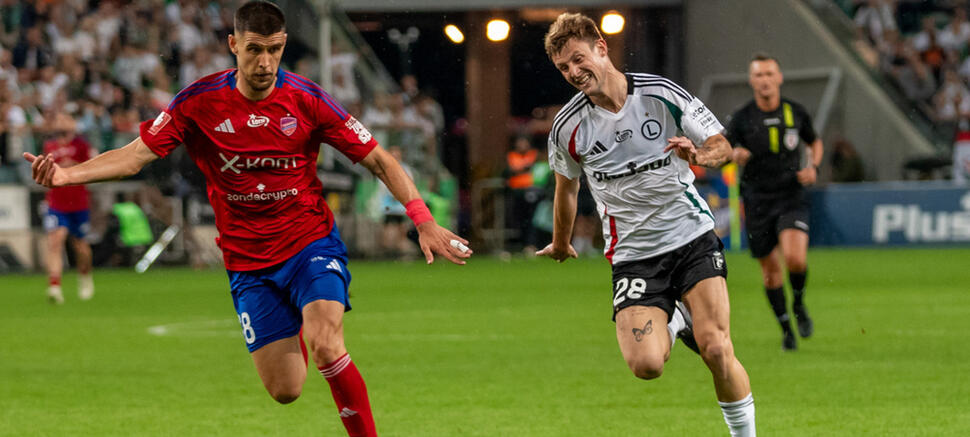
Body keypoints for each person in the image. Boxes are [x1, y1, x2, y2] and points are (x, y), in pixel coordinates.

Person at [23, 2, 471, 436]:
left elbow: (379, 159)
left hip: (309, 244)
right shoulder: (198, 102)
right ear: (233, 44)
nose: (265, 61)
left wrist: (422, 219)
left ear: (284, 45)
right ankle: (291, 318)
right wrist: (66, 175)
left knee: (327, 344)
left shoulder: (308, 99)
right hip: (248, 261)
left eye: (274, 49)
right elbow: (135, 156)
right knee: (286, 390)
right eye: (255, 48)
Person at [537, 13, 755, 436]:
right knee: (647, 365)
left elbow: (721, 145)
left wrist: (699, 156)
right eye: (564, 68)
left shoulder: (660, 93)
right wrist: (561, 243)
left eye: (579, 60)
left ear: (601, 47)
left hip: (692, 237)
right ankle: (675, 317)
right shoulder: (568, 127)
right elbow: (566, 190)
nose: (574, 72)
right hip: (635, 257)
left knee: (715, 347)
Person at [724, 53, 824, 351]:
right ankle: (786, 329)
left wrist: (813, 166)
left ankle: (800, 304)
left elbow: (814, 141)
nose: (765, 80)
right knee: (770, 272)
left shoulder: (795, 112)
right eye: (759, 75)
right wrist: (733, 155)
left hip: (790, 194)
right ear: (751, 81)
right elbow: (724, 148)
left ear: (779, 77)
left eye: (769, 74)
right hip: (756, 199)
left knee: (795, 258)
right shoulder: (742, 118)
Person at [40, 113, 95, 304]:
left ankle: (85, 276)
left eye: (65, 119)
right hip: (57, 202)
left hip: (78, 202)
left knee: (80, 245)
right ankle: (54, 286)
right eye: (59, 119)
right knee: (56, 240)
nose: (61, 122)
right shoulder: (50, 146)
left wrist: (71, 167)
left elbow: (90, 167)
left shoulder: (81, 145)